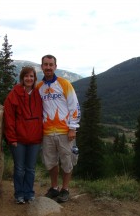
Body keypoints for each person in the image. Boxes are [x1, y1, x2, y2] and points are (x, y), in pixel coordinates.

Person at [37, 54, 81, 203]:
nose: (48, 67)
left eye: (51, 64)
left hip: (64, 131)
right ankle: (54, 188)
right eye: (45, 64)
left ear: (55, 66)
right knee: (51, 162)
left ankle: (65, 189)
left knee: (67, 160)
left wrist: (73, 128)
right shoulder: (39, 88)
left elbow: (74, 106)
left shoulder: (64, 84)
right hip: (47, 132)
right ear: (42, 66)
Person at [3, 66, 43, 204]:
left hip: (35, 139)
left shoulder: (39, 94)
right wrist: (11, 138)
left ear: (34, 79)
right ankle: (19, 194)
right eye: (26, 76)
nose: (29, 79)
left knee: (30, 169)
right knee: (19, 169)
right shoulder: (14, 94)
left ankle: (29, 193)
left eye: (31, 76)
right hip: (18, 139)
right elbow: (9, 118)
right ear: (22, 78)